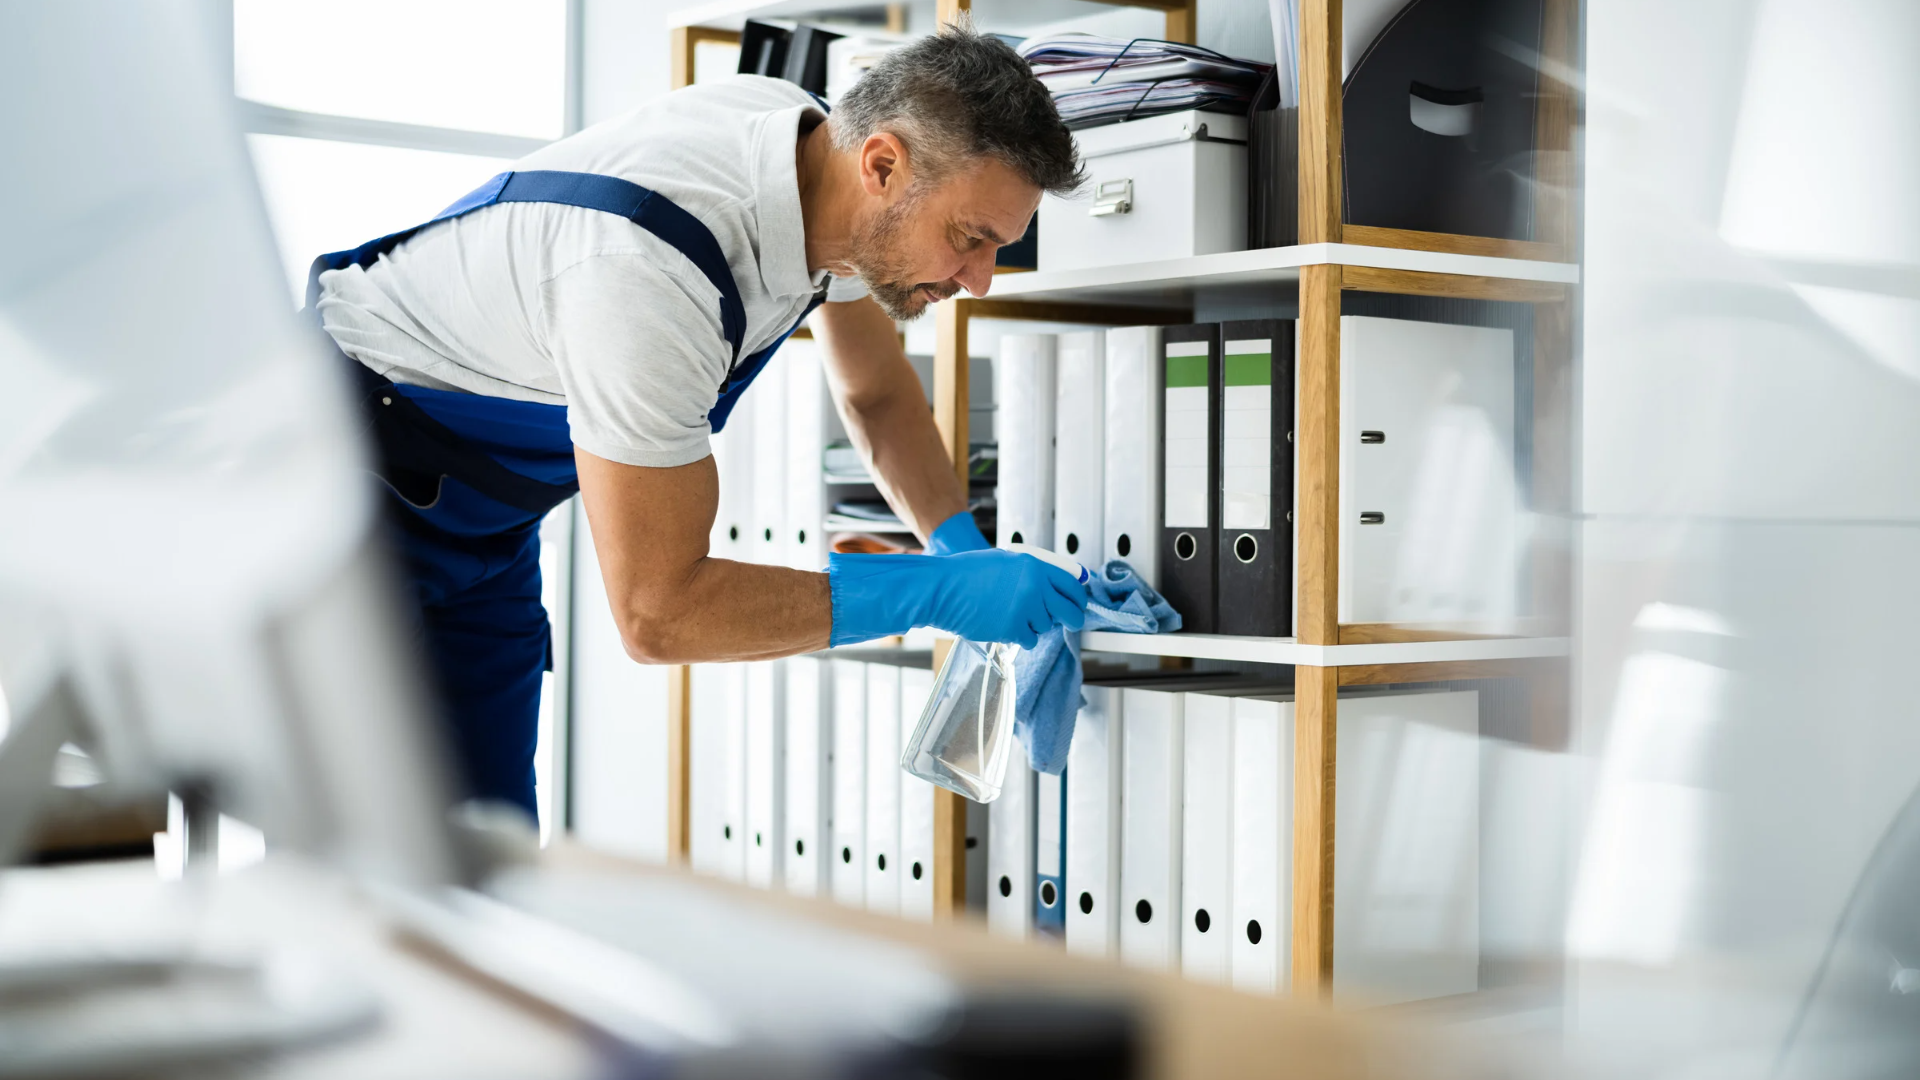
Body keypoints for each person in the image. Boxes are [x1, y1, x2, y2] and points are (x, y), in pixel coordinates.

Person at [309, 24, 1090, 818]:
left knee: (489, 844)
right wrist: (935, 594)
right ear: (883, 165)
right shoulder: (648, 274)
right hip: (336, 485)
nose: (983, 282)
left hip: (484, 515)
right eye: (970, 240)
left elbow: (876, 397)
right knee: (347, 855)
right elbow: (658, 613)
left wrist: (958, 543)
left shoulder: (824, 170)